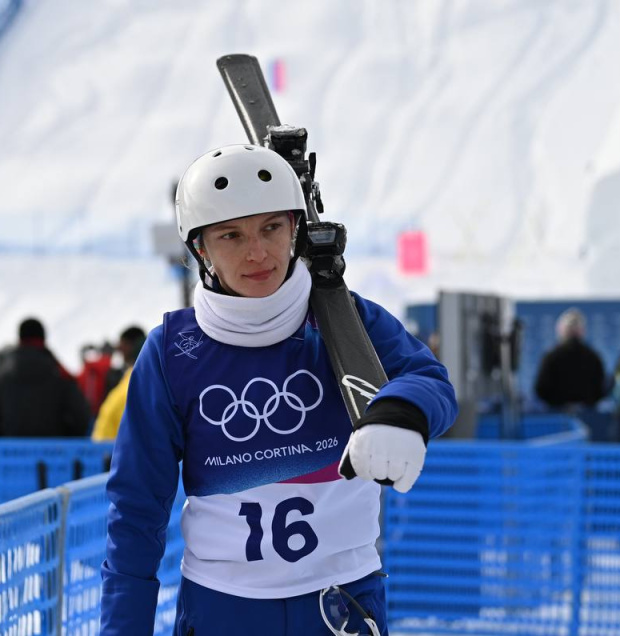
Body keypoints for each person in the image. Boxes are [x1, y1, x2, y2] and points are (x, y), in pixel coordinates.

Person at [100, 145, 457, 635]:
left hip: (342, 599)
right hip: (224, 606)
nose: (257, 252)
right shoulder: (171, 351)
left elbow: (430, 381)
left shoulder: (344, 318)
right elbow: (137, 505)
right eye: (231, 235)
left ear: (295, 229)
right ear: (200, 249)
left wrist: (401, 411)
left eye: (271, 227)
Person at [0, 318, 90, 438]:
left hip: (12, 453)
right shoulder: (59, 373)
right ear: (43, 339)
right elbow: (81, 418)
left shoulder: (2, 375)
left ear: (19, 339)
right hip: (53, 452)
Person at [534, 308, 606, 408]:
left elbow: (540, 389)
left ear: (561, 330)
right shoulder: (593, 357)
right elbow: (601, 390)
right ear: (582, 331)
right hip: (587, 416)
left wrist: (558, 403)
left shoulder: (551, 356)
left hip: (557, 416)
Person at [91, 326, 146, 442]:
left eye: (124, 344)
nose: (120, 349)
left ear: (134, 345)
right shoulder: (130, 377)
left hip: (117, 451)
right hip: (110, 450)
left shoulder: (140, 379)